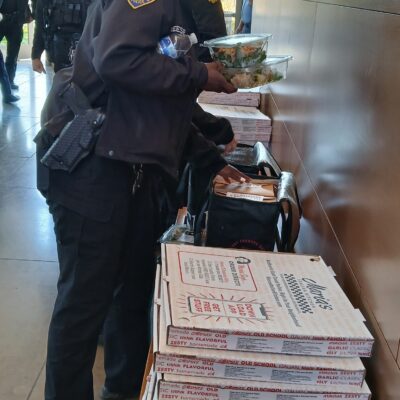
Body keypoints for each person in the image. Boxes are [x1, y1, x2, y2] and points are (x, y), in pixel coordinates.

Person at [35, 0, 248, 399]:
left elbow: (155, 95)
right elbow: (118, 60)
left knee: (131, 303)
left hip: (137, 173)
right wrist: (201, 73)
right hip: (93, 171)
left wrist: (207, 158)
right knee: (83, 308)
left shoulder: (186, 8)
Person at [31, 0, 92, 73]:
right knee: (62, 81)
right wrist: (36, 56)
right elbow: (40, 25)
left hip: (88, 51)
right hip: (59, 52)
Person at [0, 0, 32, 89]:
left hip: (17, 25)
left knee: (12, 55)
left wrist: (32, 15)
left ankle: (9, 81)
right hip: (3, 21)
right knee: (12, 56)